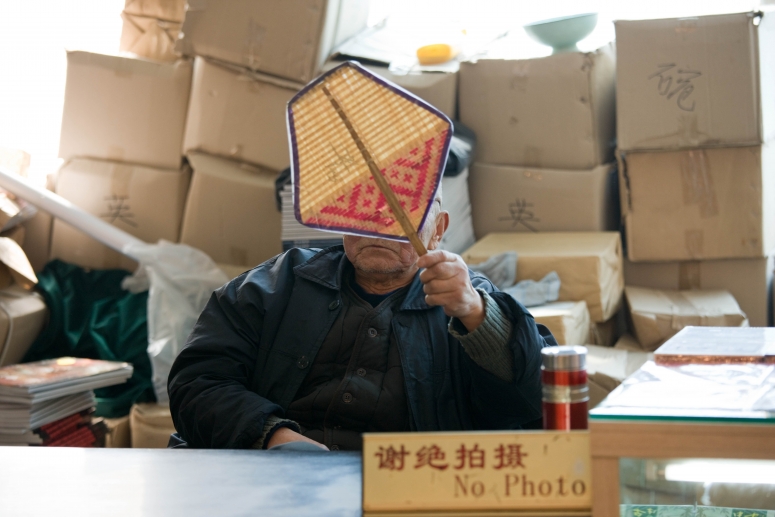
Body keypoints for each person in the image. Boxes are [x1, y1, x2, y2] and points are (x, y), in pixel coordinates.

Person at [168, 190, 556, 450]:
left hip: (410, 489)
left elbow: (535, 403)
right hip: (269, 477)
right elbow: (196, 382)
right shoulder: (275, 285)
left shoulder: (470, 300)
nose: (379, 222)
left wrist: (475, 313)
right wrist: (272, 435)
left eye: (402, 209)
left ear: (438, 229)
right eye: (362, 206)